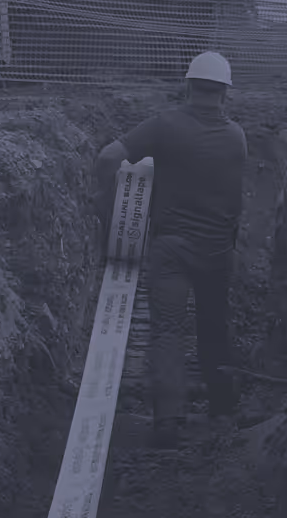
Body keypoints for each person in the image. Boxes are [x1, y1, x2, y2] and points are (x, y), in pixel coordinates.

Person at [94, 52, 247, 450]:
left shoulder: (164, 126)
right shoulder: (237, 138)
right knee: (214, 327)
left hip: (171, 250)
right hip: (217, 250)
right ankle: (223, 408)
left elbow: (108, 156)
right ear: (225, 92)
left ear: (188, 84)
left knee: (167, 330)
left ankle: (168, 420)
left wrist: (109, 206)